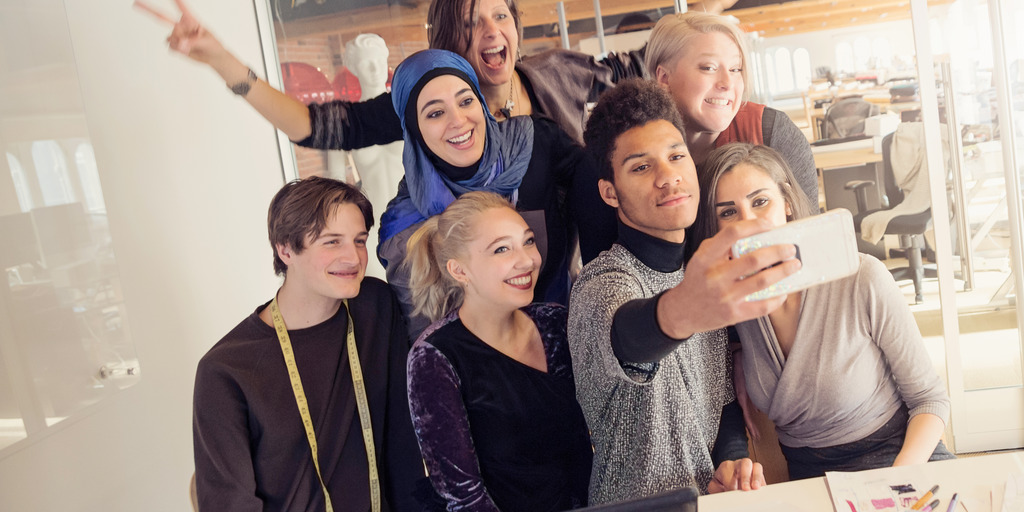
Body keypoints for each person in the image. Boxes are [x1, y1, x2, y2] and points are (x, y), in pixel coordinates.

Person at [568, 79, 801, 502]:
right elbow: (629, 337)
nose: (668, 177)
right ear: (610, 192)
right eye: (641, 167)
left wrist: (730, 459)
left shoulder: (699, 272)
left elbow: (721, 402)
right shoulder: (602, 282)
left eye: (676, 157)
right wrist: (685, 310)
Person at [690, 143, 955, 480]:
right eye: (728, 212)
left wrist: (898, 480)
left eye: (760, 202)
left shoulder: (862, 276)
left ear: (786, 202)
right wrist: (738, 355)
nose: (748, 223)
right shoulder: (734, 303)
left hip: (901, 459)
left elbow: (930, 400)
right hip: (814, 478)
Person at [192, 177, 422, 511]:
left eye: (359, 241)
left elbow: (403, 446)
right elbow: (229, 503)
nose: (354, 258)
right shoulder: (226, 370)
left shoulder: (375, 307)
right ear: (285, 249)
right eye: (332, 242)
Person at [140, 0, 644, 149]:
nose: (490, 30)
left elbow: (638, 68)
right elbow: (321, 128)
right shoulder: (425, 103)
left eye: (500, 16)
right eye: (471, 22)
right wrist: (223, 61)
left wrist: (715, 45)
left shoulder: (556, 72)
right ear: (450, 40)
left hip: (572, 289)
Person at [377, 49, 614, 337]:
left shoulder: (535, 144)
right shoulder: (404, 227)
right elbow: (427, 335)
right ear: (414, 129)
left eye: (466, 101)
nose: (458, 120)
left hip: (570, 338)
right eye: (436, 113)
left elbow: (600, 191)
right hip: (486, 369)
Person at [405, 191, 592, 511]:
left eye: (528, 241)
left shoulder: (556, 323)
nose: (528, 259)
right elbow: (465, 497)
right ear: (459, 270)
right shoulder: (435, 358)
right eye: (502, 249)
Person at [645, 12, 818, 210]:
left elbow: (812, 229)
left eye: (736, 69)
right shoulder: (634, 146)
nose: (727, 83)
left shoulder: (771, 130)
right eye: (708, 68)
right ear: (665, 78)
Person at [344, 33, 405, 280]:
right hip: (370, 227)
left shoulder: (406, 112)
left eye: (379, 60)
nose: (374, 68)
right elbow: (334, 181)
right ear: (353, 68)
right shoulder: (347, 123)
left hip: (414, 220)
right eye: (365, 62)